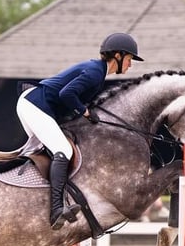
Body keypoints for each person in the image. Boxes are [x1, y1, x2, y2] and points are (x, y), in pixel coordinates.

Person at [16, 32, 143, 230]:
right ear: (117, 56)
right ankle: (57, 209)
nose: (130, 64)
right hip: (35, 105)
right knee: (64, 151)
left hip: (33, 103)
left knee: (48, 152)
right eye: (129, 59)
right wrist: (84, 112)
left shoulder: (97, 72)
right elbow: (66, 94)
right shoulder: (94, 72)